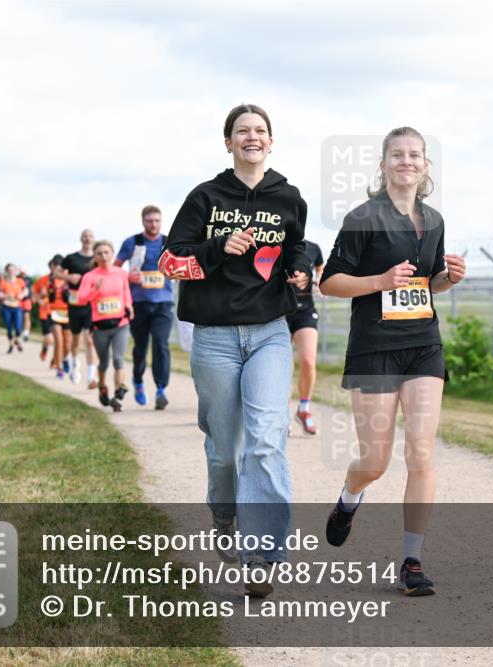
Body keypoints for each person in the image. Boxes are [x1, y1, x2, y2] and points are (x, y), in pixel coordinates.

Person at [161, 103, 311, 596]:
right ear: (228, 143)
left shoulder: (289, 197)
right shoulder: (204, 197)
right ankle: (225, 515)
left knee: (266, 438)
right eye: (242, 131)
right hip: (216, 337)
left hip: (269, 331)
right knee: (226, 450)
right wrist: (217, 247)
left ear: (271, 142)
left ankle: (263, 555)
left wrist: (301, 267)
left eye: (260, 131)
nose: (252, 137)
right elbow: (169, 262)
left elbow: (296, 247)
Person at [319, 126, 465, 598]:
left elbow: (428, 283)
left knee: (421, 451)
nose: (407, 161)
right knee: (376, 460)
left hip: (423, 343)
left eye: (415, 155)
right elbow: (330, 282)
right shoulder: (363, 217)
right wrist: (380, 279)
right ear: (383, 165)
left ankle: (412, 559)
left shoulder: (434, 220)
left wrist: (447, 278)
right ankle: (349, 496)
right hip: (374, 348)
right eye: (397, 155)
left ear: (426, 166)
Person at [114, 205, 175, 410]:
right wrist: (127, 275)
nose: (154, 224)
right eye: (150, 220)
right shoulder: (132, 242)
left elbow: (180, 265)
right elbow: (114, 270)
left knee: (161, 344)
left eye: (157, 220)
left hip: (163, 302)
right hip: (138, 303)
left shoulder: (169, 242)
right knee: (141, 347)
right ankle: (138, 380)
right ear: (143, 222)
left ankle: (161, 389)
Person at [76, 240, 134, 411]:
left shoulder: (121, 273)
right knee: (104, 362)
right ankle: (102, 386)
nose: (104, 256)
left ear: (112, 253)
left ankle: (118, 395)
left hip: (121, 323)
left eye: (107, 252)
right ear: (95, 256)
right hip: (100, 327)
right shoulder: (90, 277)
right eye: (100, 253)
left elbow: (126, 293)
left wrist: (129, 307)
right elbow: (81, 299)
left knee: (118, 358)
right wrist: (95, 289)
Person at [287, 239, 325, 435]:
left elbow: (320, 265)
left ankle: (303, 410)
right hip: (280, 312)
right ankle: (282, 413)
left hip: (305, 311)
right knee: (284, 365)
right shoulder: (276, 243)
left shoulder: (313, 247)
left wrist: (318, 279)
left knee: (308, 361)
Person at [56, 230, 99, 387]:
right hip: (75, 303)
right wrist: (69, 277)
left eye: (90, 236)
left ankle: (91, 375)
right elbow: (56, 273)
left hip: (91, 303)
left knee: (89, 340)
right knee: (75, 339)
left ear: (94, 239)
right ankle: (75, 365)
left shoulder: (98, 258)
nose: (88, 239)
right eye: (85, 236)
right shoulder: (71, 258)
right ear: (81, 238)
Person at [0, 263, 28, 353]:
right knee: (9, 328)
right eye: (9, 270)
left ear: (15, 271)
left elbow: (26, 290)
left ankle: (17, 340)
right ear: (6, 271)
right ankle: (11, 345)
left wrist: (22, 295)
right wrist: (4, 296)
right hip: (6, 307)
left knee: (18, 328)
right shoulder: (3, 282)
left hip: (17, 307)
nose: (11, 272)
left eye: (13, 270)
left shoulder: (20, 281)